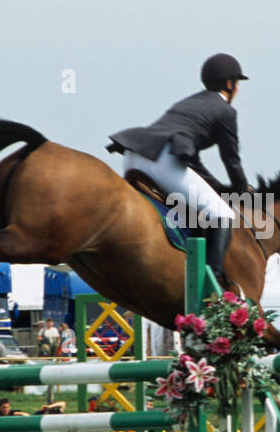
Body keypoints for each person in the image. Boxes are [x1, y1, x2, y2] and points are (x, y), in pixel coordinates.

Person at [106, 53, 252, 285]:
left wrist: (220, 189)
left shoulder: (190, 102)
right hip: (162, 160)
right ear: (229, 83)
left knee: (205, 205)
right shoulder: (226, 112)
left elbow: (193, 164)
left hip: (134, 155)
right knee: (223, 214)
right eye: (237, 84)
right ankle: (211, 286)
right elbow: (231, 160)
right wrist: (242, 192)